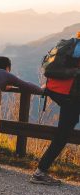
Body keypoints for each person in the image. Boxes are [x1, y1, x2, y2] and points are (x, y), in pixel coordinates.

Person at [30, 31, 80, 185]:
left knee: (66, 128)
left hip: (55, 91)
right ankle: (40, 172)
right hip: (69, 96)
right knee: (62, 134)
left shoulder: (70, 45)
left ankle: (40, 171)